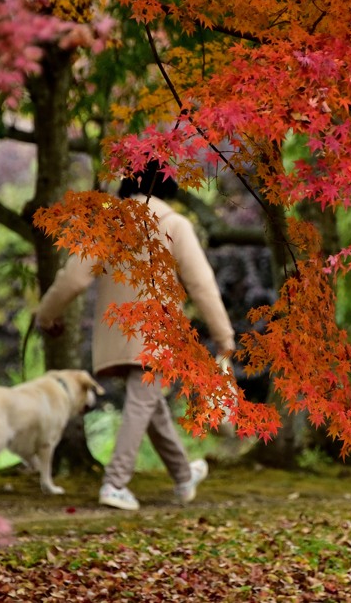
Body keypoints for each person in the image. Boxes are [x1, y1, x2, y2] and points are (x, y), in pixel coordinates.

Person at [35, 161, 236, 511]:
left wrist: (45, 315)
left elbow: (74, 279)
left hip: (118, 331)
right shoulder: (174, 225)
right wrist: (224, 335)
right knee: (144, 400)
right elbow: (202, 285)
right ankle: (114, 484)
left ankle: (183, 476)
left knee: (150, 403)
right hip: (157, 332)